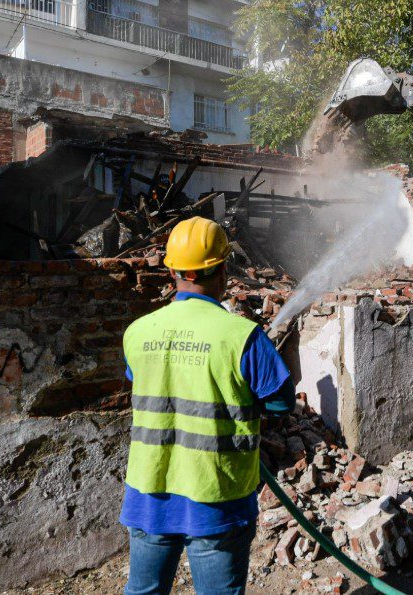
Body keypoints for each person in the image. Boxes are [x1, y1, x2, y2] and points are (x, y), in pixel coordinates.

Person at [120, 217, 295, 594]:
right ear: (224, 270)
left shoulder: (137, 331)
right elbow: (281, 403)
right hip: (217, 494)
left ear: (171, 271)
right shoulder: (243, 336)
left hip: (149, 490)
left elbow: (147, 383)